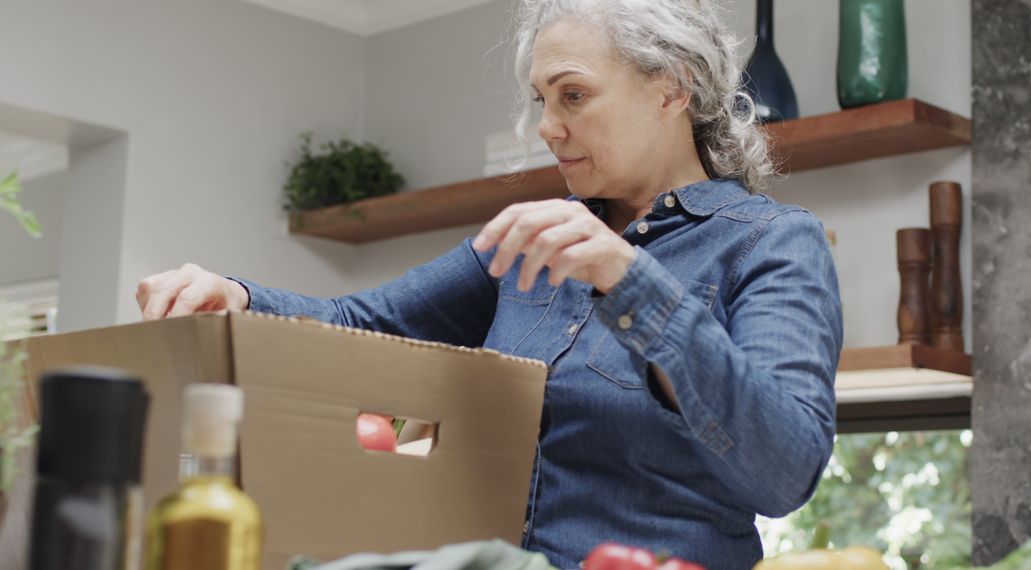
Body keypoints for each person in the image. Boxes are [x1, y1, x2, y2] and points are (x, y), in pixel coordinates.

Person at [136, 0, 843, 567]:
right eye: (540, 98)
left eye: (572, 95)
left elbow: (784, 472)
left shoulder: (770, 243)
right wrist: (239, 298)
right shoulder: (526, 240)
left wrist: (629, 280)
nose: (547, 127)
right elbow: (366, 326)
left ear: (673, 86)